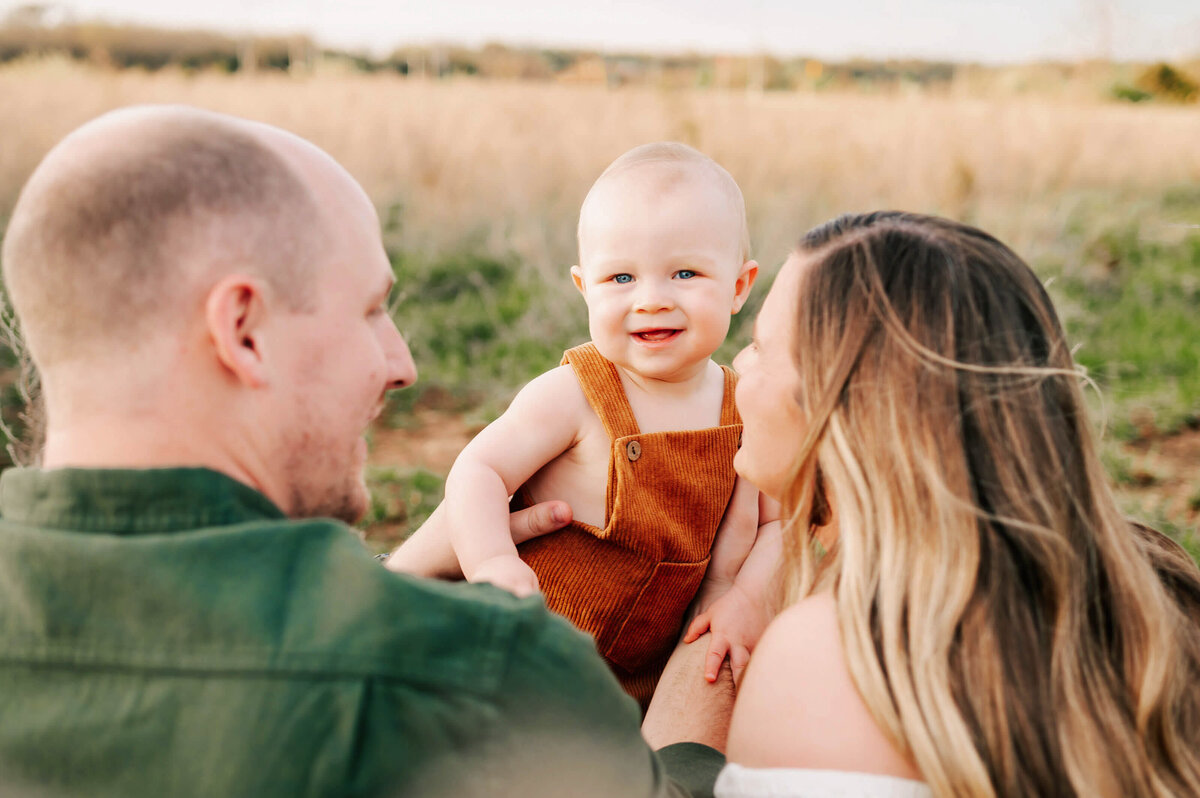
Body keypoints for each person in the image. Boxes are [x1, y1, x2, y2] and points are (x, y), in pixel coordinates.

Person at [0, 106, 733, 798]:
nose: (403, 362)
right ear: (244, 330)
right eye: (372, 310)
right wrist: (714, 642)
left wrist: (402, 572)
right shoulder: (486, 673)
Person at [716, 211, 1200, 796]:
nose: (737, 366)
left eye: (760, 349)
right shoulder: (1153, 592)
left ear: (849, 414)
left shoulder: (830, 650)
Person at [388, 143, 781, 708]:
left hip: (651, 680)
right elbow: (479, 470)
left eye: (685, 273)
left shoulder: (744, 408)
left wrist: (740, 593)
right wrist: (493, 561)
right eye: (621, 277)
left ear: (739, 286)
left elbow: (776, 524)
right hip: (523, 659)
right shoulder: (574, 394)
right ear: (584, 288)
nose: (650, 300)